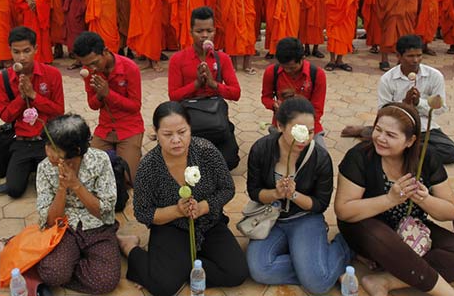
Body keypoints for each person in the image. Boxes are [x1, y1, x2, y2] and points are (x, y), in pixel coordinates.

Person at [335, 102, 454, 296]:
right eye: (378, 130)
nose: (380, 138)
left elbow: (450, 211)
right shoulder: (360, 156)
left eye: (391, 135)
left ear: (410, 141)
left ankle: (385, 280)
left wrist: (424, 199)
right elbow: (344, 210)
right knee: (387, 241)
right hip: (366, 227)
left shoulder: (425, 157)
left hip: (410, 226)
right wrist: (390, 199)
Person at [123, 102, 248, 296]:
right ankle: (130, 247)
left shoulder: (206, 151)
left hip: (208, 222)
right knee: (164, 288)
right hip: (171, 227)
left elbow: (227, 188)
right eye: (167, 134)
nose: (176, 140)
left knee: (236, 273)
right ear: (155, 132)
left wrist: (204, 206)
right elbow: (142, 212)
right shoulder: (148, 167)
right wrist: (177, 210)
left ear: (190, 129)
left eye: (182, 132)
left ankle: (174, 268)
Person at [246, 97, 349, 291]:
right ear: (280, 126)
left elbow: (320, 204)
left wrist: (294, 195)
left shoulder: (320, 157)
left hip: (304, 218)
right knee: (259, 270)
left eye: (310, 132)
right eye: (298, 131)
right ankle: (315, 267)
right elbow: (254, 192)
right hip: (272, 218)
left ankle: (343, 247)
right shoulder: (262, 149)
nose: (305, 138)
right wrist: (276, 193)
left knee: (318, 285)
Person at [35, 114, 122, 294]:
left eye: (54, 148)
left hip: (97, 227)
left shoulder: (100, 161)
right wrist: (62, 188)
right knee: (53, 274)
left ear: (75, 149)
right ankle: (75, 261)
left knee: (107, 281)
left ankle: (80, 260)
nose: (48, 152)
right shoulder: (44, 168)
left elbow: (104, 211)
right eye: (47, 145)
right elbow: (51, 221)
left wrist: (75, 185)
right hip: (64, 229)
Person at [342, 35, 454, 164]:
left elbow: (440, 109)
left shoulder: (434, 76)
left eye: (419, 55)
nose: (415, 60)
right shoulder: (388, 79)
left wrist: (418, 103)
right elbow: (383, 112)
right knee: (370, 151)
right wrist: (404, 105)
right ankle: (387, 140)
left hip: (424, 127)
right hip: (397, 127)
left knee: (451, 152)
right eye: (410, 56)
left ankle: (395, 145)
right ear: (398, 56)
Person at [0, 26, 64, 198]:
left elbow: (59, 112)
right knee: (14, 190)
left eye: (26, 51)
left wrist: (34, 95)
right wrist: (22, 98)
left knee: (51, 188)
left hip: (46, 139)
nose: (22, 57)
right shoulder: (4, 78)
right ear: (10, 51)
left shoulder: (52, 74)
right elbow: (5, 116)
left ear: (36, 49)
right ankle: (27, 167)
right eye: (16, 52)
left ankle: (36, 167)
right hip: (22, 141)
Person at [168, 7, 241, 169]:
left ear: (215, 31)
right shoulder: (178, 59)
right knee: (186, 164)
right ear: (190, 32)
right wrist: (196, 85)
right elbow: (173, 96)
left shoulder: (222, 58)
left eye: (209, 31)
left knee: (229, 162)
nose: (204, 36)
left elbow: (236, 93)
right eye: (199, 31)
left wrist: (213, 84)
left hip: (216, 117)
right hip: (190, 117)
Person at [73, 31, 143, 183]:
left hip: (129, 127)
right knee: (89, 173)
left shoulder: (129, 68)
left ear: (105, 52)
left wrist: (108, 94)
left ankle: (132, 151)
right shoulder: (90, 71)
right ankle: (123, 153)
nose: (92, 68)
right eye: (87, 64)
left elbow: (135, 106)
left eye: (95, 62)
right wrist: (99, 95)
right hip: (105, 128)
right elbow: (92, 105)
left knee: (126, 178)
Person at [261, 37, 326, 146]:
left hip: (308, 126)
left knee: (322, 157)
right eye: (284, 67)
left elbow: (318, 109)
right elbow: (265, 98)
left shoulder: (317, 74)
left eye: (292, 68)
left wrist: (301, 125)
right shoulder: (272, 72)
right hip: (282, 125)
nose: (287, 71)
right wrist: (274, 105)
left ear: (302, 58)